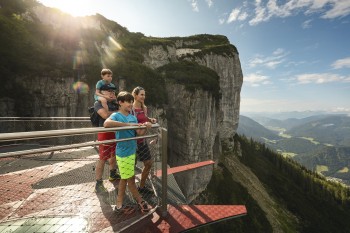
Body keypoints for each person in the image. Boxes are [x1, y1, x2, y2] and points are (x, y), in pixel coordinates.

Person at [104, 91, 152, 214]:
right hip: (123, 153)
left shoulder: (133, 117)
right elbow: (106, 123)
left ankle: (121, 205)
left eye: (131, 101)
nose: (130, 104)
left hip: (132, 152)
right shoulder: (116, 115)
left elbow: (139, 134)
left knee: (126, 179)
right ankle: (136, 202)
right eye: (128, 102)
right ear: (120, 102)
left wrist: (145, 126)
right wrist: (126, 125)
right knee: (127, 179)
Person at [131, 86, 157, 195]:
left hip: (141, 140)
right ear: (135, 95)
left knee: (148, 163)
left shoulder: (143, 107)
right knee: (131, 167)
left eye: (144, 95)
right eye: (141, 94)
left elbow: (144, 118)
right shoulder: (131, 109)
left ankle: (141, 186)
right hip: (132, 140)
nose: (143, 97)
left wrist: (150, 119)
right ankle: (132, 189)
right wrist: (145, 125)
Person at [94, 84, 119, 193]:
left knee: (114, 154)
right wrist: (119, 113)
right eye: (109, 91)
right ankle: (98, 183)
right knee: (103, 158)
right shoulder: (98, 103)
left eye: (113, 91)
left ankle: (112, 174)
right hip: (104, 133)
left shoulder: (115, 103)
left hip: (116, 132)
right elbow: (104, 115)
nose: (112, 93)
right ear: (102, 92)